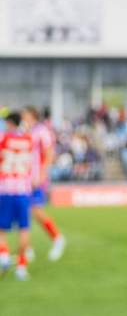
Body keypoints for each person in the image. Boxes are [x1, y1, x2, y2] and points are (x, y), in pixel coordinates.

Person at [22, 106, 66, 262]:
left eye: (25, 114)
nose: (23, 117)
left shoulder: (42, 131)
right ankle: (27, 249)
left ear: (32, 115)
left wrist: (41, 174)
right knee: (25, 211)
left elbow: (49, 153)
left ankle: (57, 238)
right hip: (25, 178)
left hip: (36, 179)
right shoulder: (28, 131)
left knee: (35, 211)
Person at [0, 111, 36, 280]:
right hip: (23, 190)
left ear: (9, 123)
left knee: (2, 229)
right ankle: (21, 267)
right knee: (24, 229)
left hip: (5, 189)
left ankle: (4, 255)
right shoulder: (28, 139)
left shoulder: (3, 138)